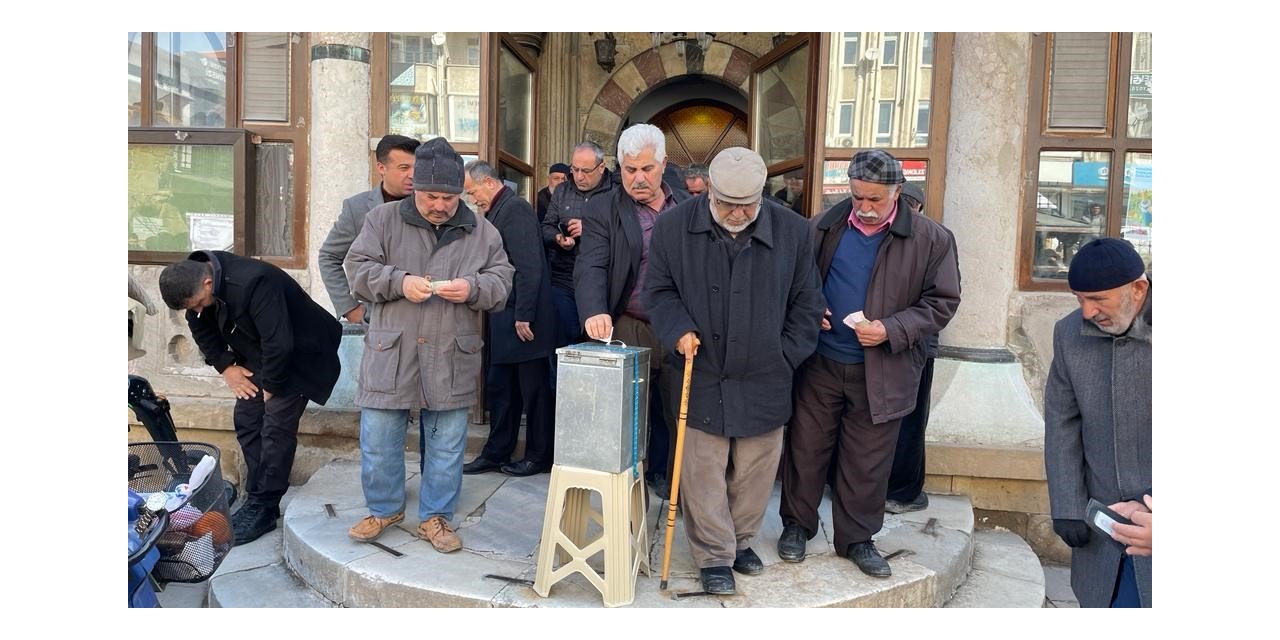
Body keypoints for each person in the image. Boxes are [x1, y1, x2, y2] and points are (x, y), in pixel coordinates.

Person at [644, 147, 824, 595]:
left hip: (766, 371)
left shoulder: (794, 231)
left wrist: (784, 355)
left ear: (762, 196)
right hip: (700, 367)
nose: (738, 214)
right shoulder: (673, 226)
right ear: (709, 194)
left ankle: (742, 541)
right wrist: (678, 328)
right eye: (727, 205)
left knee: (755, 469)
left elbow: (807, 303)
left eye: (747, 205)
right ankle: (713, 554)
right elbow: (659, 291)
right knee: (701, 468)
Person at [777, 149, 960, 578]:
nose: (865, 207)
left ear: (897, 193)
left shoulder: (931, 238)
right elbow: (795, 281)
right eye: (858, 197)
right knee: (806, 448)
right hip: (820, 361)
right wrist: (811, 309)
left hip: (883, 368)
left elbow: (942, 302)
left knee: (868, 459)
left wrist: (891, 329)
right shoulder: (823, 225)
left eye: (875, 199)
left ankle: (857, 539)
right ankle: (796, 527)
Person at [342, 137, 514, 553]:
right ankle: (384, 508)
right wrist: (399, 282)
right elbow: (356, 269)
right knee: (380, 439)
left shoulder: (482, 230)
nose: (440, 205)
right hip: (392, 351)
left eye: (449, 197)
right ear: (414, 188)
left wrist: (471, 288)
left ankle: (436, 517)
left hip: (451, 353)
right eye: (431, 196)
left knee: (447, 443)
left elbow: (502, 281)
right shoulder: (381, 220)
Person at [158, 250, 342, 545]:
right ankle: (257, 497)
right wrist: (226, 367)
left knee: (275, 427)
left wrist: (272, 385)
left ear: (207, 283)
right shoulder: (196, 291)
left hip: (302, 353)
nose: (198, 311)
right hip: (261, 352)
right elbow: (201, 328)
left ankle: (265, 506)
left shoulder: (255, 281)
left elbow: (279, 341)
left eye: (200, 304)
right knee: (247, 419)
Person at [575, 123, 693, 497]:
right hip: (628, 322)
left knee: (680, 417)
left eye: (646, 169)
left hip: (679, 325)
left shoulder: (692, 208)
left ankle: (678, 490)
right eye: (629, 170)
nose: (638, 178)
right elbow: (591, 264)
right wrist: (594, 309)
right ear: (618, 167)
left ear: (663, 165)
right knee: (627, 419)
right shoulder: (602, 207)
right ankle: (627, 495)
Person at [1044, 237, 1151, 608]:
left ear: (1138, 289)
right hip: (1101, 531)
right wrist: (1068, 505)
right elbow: (1061, 423)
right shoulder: (1068, 334)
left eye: (1099, 299)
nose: (1088, 312)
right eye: (1079, 299)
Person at [461, 160, 557, 477]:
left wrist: (524, 315)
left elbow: (530, 266)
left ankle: (539, 456)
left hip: (523, 319)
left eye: (473, 192)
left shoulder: (514, 210)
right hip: (505, 316)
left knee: (534, 391)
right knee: (502, 389)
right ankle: (496, 451)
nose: (473, 199)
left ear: (489, 182)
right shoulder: (498, 210)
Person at [883, 181, 960, 514]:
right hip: (883, 338)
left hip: (916, 344)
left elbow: (943, 297)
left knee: (910, 421)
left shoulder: (936, 238)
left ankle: (903, 491)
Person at [318, 135, 420, 325]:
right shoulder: (357, 207)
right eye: (404, 168)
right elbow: (328, 257)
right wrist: (349, 308)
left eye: (417, 167)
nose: (413, 175)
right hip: (378, 320)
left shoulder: (430, 206)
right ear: (381, 168)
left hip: (423, 316)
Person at [542, 142, 615, 347]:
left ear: (601, 167)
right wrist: (558, 238)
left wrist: (590, 227)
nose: (579, 176)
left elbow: (626, 234)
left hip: (602, 281)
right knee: (563, 342)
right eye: (574, 169)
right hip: (564, 277)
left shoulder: (616, 192)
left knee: (598, 343)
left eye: (586, 170)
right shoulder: (562, 190)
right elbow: (546, 226)